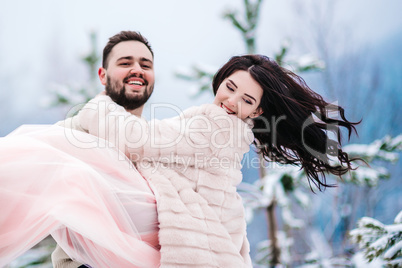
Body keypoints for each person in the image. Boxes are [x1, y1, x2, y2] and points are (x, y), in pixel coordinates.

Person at [71, 54, 359, 266]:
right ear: (221, 80)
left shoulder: (217, 126)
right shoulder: (235, 133)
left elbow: (139, 140)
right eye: (230, 87)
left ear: (257, 112)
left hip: (193, 245)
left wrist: (100, 107)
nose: (232, 102)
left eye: (247, 100)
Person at [52, 30, 157, 267]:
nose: (138, 69)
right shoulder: (72, 134)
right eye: (125, 62)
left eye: (146, 64)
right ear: (103, 74)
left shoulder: (156, 145)